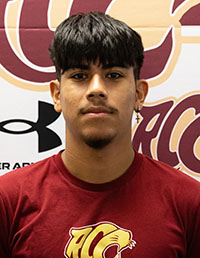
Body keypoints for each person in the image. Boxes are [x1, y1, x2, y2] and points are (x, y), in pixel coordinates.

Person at [0, 11, 199, 258]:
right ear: (56, 95)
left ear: (139, 94)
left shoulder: (190, 203)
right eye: (80, 76)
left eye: (113, 75)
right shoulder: (8, 200)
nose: (96, 89)